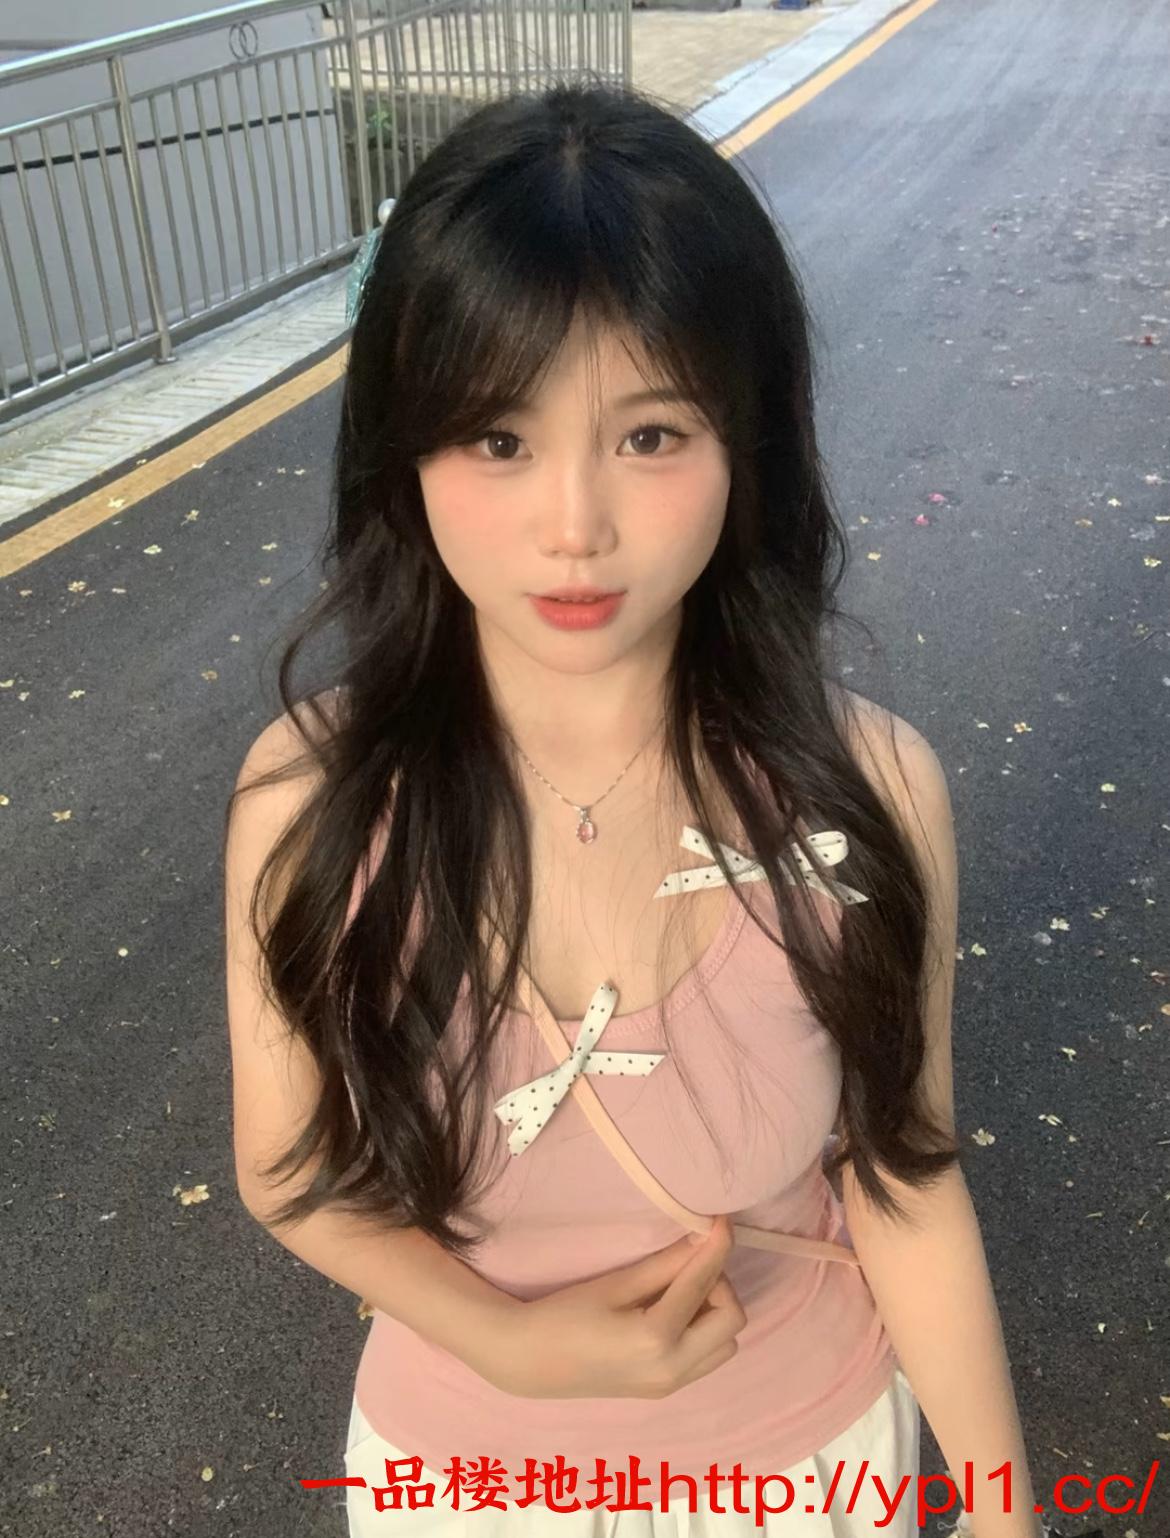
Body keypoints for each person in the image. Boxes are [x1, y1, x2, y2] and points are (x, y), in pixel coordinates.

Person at [223, 77, 1050, 1538]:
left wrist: (1003, 1518)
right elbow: (290, 1174)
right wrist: (505, 1342)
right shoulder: (314, 801)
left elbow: (905, 1186)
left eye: (651, 435)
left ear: (748, 442)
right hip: (459, 1482)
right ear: (402, 451)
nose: (575, 527)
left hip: (807, 1468)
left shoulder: (863, 793)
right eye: (499, 439)